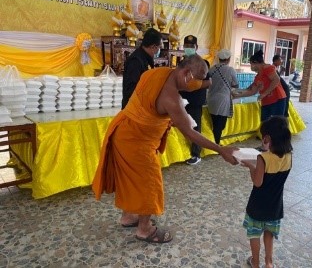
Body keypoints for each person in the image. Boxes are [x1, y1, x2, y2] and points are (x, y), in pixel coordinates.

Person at [92, 55, 239, 244]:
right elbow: (190, 134)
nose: (201, 83)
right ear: (186, 73)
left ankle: (128, 216)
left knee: (129, 180)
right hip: (138, 143)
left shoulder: (155, 73)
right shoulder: (172, 99)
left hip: (122, 131)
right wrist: (221, 149)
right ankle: (144, 230)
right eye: (199, 78)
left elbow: (148, 106)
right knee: (149, 184)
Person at [241, 116, 292, 268]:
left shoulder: (263, 158)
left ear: (267, 138)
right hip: (275, 206)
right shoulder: (289, 156)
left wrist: (251, 167)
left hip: (257, 206)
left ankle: (255, 262)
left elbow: (258, 182)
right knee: (269, 234)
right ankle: (269, 263)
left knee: (255, 234)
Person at [232, 50, 287, 151]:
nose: (251, 67)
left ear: (255, 62)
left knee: (278, 125)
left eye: (251, 64)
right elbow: (251, 91)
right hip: (266, 102)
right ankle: (265, 146)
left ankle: (281, 147)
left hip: (277, 100)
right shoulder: (258, 76)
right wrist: (237, 95)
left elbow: (276, 80)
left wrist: (265, 93)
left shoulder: (268, 68)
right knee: (265, 125)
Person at [180, 35, 212, 165]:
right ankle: (182, 151)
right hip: (182, 100)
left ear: (196, 47)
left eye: (191, 46)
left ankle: (196, 154)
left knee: (195, 127)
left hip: (195, 101)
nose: (188, 48)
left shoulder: (201, 63)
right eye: (186, 46)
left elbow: (209, 82)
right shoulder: (182, 62)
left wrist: (194, 86)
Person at [122, 28, 162, 109]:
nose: (159, 50)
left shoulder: (146, 58)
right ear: (153, 47)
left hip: (142, 106)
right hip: (133, 109)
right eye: (159, 47)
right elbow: (131, 89)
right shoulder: (136, 61)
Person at [207, 49, 239, 144]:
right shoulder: (230, 70)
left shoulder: (211, 69)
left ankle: (214, 143)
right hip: (223, 100)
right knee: (220, 125)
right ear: (228, 59)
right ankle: (216, 144)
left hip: (211, 99)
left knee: (214, 123)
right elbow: (236, 85)